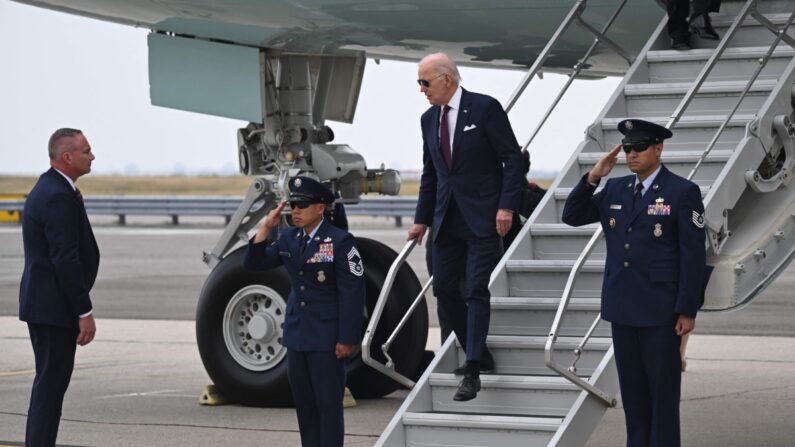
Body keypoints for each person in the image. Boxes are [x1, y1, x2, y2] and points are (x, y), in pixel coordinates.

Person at [562, 119, 710, 446]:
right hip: (623, 308)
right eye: (627, 148)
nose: (632, 154)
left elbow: (692, 256)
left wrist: (687, 310)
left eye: (639, 147)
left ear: (658, 148)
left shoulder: (682, 192)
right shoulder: (614, 189)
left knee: (662, 396)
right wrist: (594, 176)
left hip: (661, 311)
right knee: (634, 395)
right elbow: (571, 215)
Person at [408, 52, 523, 402]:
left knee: (475, 288)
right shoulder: (429, 119)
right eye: (419, 83)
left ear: (447, 78)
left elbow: (512, 159)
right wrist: (420, 219)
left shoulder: (485, 108)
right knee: (444, 288)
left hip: (484, 217)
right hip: (447, 219)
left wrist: (506, 206)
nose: (422, 90)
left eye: (425, 82)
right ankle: (480, 351)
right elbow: (431, 174)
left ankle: (473, 368)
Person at [244, 176, 364, 447]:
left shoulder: (340, 241)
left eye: (302, 204)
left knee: (328, 407)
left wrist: (348, 337)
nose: (295, 210)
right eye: (293, 205)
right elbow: (254, 263)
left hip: (327, 339)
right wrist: (266, 227)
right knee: (305, 407)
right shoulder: (288, 238)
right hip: (297, 337)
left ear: (320, 208)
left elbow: (353, 292)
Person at [19, 128, 99, 447]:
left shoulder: (53, 188)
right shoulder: (56, 195)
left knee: (48, 390)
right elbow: (64, 259)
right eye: (86, 151)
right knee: (49, 392)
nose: (92, 156)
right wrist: (84, 311)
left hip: (47, 306)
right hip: (54, 310)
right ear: (67, 157)